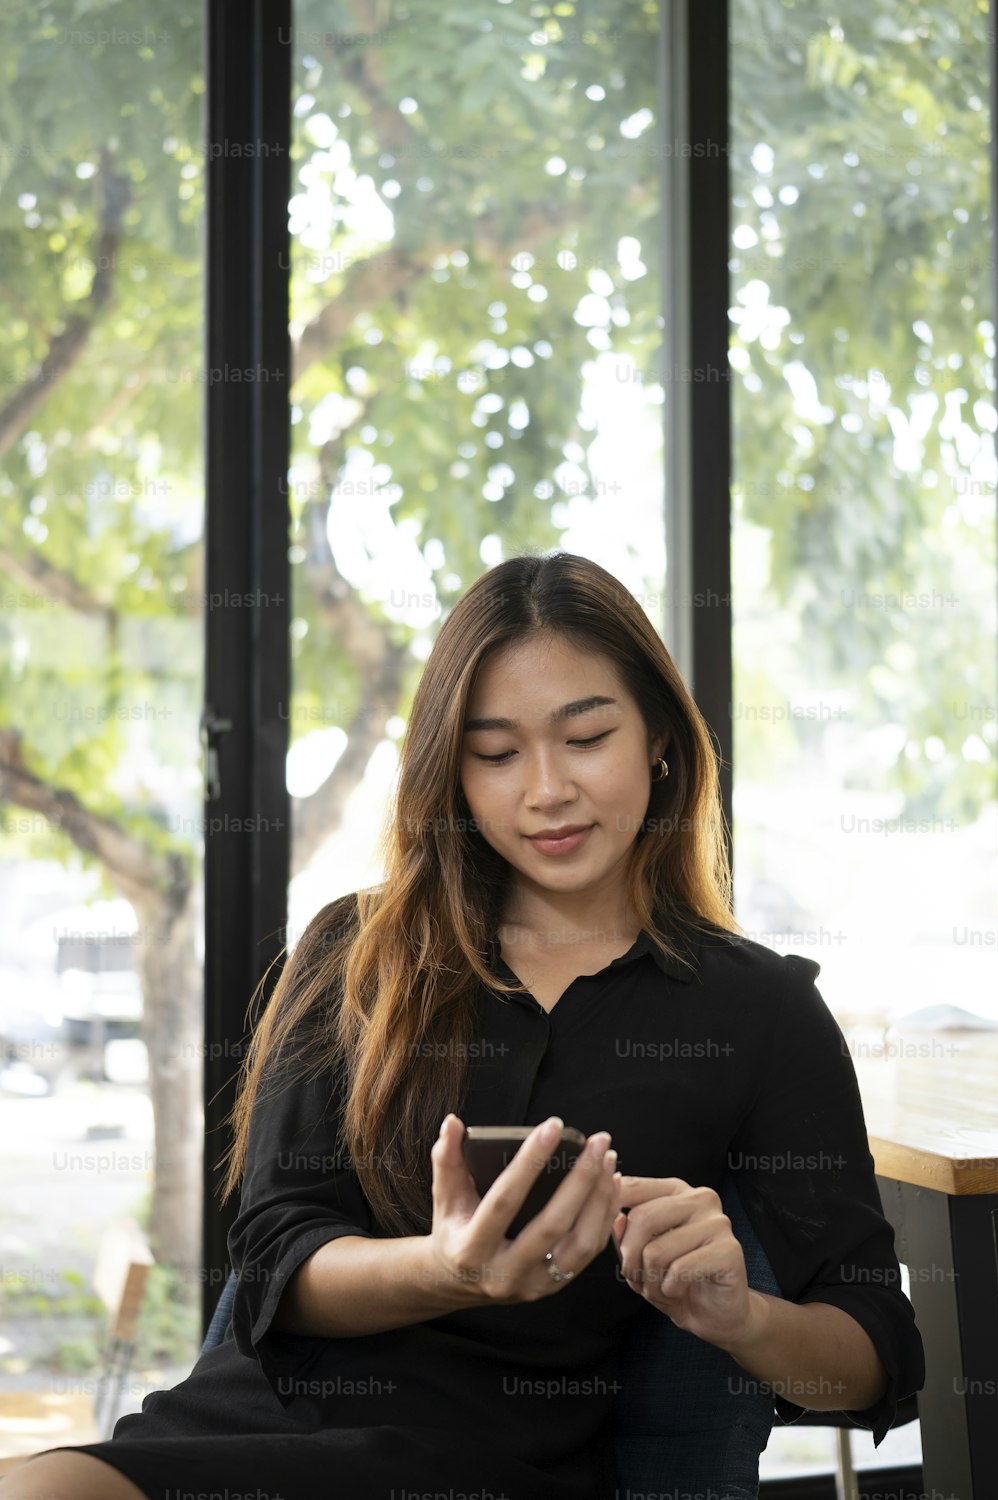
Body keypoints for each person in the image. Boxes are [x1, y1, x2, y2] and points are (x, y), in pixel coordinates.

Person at [1, 551, 924, 1500]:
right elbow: (276, 1256)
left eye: (586, 738)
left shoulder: (760, 1009)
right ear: (453, 771)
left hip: (494, 1461)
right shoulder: (353, 952)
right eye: (496, 754)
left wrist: (743, 1319)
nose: (545, 790)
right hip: (244, 1427)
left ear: (657, 737)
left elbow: (879, 1358)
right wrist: (447, 1269)